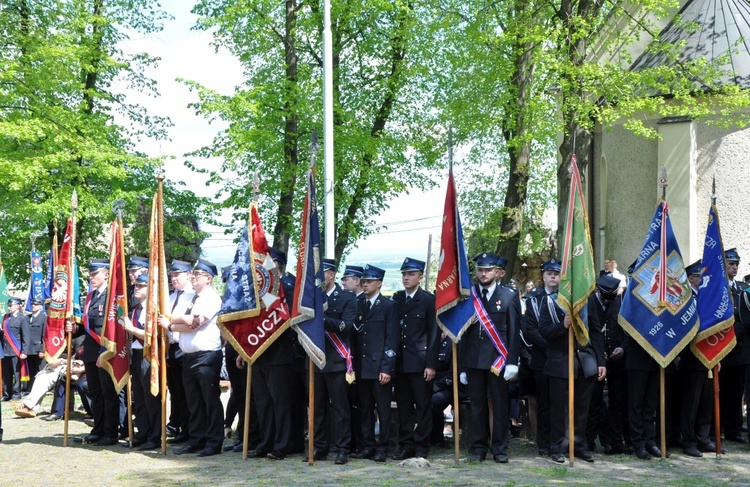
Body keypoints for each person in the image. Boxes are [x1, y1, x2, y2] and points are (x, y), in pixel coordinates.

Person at [538, 263, 606, 464]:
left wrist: (601, 361)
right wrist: (563, 325)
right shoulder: (549, 302)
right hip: (560, 362)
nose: (558, 277)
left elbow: (595, 331)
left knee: (582, 407)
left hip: (585, 362)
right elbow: (544, 330)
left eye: (560, 275)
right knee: (559, 409)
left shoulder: (588, 300)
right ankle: (557, 446)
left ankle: (579, 444)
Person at [158, 259, 224, 457]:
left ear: (209, 279)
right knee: (193, 401)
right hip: (188, 356)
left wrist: (170, 325)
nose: (193, 278)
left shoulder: (211, 298)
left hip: (206, 356)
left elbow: (195, 323)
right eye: (193, 275)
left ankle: (213, 442)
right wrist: (178, 322)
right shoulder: (190, 298)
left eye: (198, 275)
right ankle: (196, 439)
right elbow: (179, 319)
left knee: (209, 400)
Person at [459, 253, 521, 463]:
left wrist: (513, 361)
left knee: (500, 405)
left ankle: (500, 449)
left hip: (498, 361)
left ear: (497, 272)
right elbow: (462, 333)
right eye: (479, 269)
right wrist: (462, 367)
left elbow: (514, 331)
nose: (483, 273)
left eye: (487, 270)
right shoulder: (469, 295)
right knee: (477, 406)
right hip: (473, 359)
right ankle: (478, 448)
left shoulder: (509, 296)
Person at [65, 259, 120, 446]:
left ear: (106, 274)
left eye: (95, 273)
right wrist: (75, 328)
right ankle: (98, 428)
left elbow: (112, 327)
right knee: (95, 392)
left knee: (108, 392)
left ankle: (111, 432)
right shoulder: (90, 297)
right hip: (90, 350)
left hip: (104, 350)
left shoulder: (111, 297)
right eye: (90, 274)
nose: (91, 277)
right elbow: (87, 327)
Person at [309, 258, 357, 464]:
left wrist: (320, 318)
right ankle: (319, 447)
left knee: (340, 408)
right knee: (317, 407)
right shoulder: (311, 298)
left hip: (336, 360)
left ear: (331, 275)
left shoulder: (346, 297)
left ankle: (342, 448)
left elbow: (346, 325)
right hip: (314, 359)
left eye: (323, 273)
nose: (319, 278)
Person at [350, 264, 399, 463]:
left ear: (379, 284)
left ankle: (382, 447)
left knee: (383, 410)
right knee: (364, 409)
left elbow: (392, 338)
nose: (365, 284)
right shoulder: (359, 303)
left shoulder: (388, 306)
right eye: (364, 281)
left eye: (369, 281)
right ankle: (367, 446)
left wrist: (387, 368)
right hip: (362, 367)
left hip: (380, 368)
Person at [391, 257, 439, 460]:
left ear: (420, 277)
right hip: (400, 363)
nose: (406, 278)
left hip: (420, 364)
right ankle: (406, 444)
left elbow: (434, 334)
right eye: (404, 274)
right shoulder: (397, 298)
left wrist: (430, 364)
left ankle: (421, 446)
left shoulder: (428, 300)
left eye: (411, 274)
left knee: (422, 407)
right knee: (404, 407)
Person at [586, 275, 629, 454]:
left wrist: (622, 348)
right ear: (598, 291)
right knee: (593, 403)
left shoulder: (620, 303)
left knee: (617, 402)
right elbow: (585, 332)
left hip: (616, 360)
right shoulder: (588, 303)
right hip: (596, 361)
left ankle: (615, 442)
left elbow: (628, 330)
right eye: (604, 296)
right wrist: (597, 353)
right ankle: (589, 441)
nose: (607, 300)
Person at [119, 272, 162, 450]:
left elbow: (154, 337)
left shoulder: (153, 310)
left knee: (151, 397)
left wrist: (132, 329)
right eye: (136, 285)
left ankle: (154, 435)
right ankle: (142, 432)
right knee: (139, 397)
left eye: (140, 286)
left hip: (148, 355)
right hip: (136, 355)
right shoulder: (136, 309)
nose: (136, 288)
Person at [521, 259, 560, 457]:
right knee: (543, 403)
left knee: (559, 403)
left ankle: (560, 442)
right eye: (549, 273)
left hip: (563, 359)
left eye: (556, 273)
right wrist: (551, 344)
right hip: (542, 359)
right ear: (543, 276)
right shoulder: (533, 299)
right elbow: (530, 330)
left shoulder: (566, 298)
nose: (553, 276)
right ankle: (543, 443)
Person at [719, 248, 750, 443]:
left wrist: (735, 332)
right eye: (731, 264)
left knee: (737, 391)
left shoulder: (741, 288)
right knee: (722, 389)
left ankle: (734, 429)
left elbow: (746, 318)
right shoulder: (718, 288)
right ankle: (719, 425)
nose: (735, 267)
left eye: (736, 264)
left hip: (740, 347)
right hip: (721, 347)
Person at [13, 335, 86, 418]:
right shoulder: (58, 336)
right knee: (40, 377)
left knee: (47, 379)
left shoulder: (79, 338)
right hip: (55, 365)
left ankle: (27, 405)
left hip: (69, 367)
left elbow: (79, 358)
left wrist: (62, 361)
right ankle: (32, 409)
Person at [164, 259, 193, 444]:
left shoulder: (192, 296)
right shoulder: (171, 296)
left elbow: (188, 321)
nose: (173, 278)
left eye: (177, 275)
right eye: (172, 275)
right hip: (171, 348)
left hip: (185, 347)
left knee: (187, 392)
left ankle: (191, 429)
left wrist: (171, 324)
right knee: (176, 392)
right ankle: (181, 427)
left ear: (188, 275)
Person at [2, 297, 31, 400]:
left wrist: (24, 351)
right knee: (7, 373)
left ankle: (16, 393)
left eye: (11, 305)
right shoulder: (6, 317)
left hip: (16, 350)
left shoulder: (23, 318)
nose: (9, 308)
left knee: (16, 372)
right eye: (8, 306)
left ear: (18, 305)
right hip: (5, 351)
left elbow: (26, 336)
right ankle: (6, 394)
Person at [26, 297, 47, 391]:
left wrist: (42, 349)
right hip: (29, 349)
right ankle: (31, 389)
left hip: (38, 349)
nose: (33, 306)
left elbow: (45, 335)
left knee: (40, 371)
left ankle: (41, 389)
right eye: (32, 304)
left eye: (36, 304)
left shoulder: (44, 318)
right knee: (30, 370)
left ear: (41, 307)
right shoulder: (27, 318)